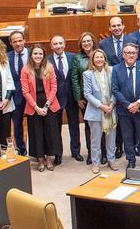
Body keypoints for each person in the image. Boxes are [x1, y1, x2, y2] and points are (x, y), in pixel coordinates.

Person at [111, 43, 140, 170]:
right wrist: (129, 105)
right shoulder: (116, 69)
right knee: (127, 136)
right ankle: (131, 159)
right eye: (128, 53)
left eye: (133, 53)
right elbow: (115, 89)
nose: (131, 55)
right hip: (124, 110)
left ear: (137, 54)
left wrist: (138, 102)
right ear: (123, 54)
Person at [21, 44, 60, 171]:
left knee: (49, 132)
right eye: (35, 54)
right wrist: (36, 107)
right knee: (37, 133)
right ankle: (40, 160)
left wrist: (47, 105)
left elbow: (54, 87)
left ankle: (49, 159)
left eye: (40, 54)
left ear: (44, 55)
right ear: (31, 55)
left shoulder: (49, 67)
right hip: (34, 105)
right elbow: (25, 92)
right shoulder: (26, 69)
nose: (38, 56)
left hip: (49, 103)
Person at [82, 48, 117, 173]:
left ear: (105, 59)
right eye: (96, 57)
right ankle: (95, 163)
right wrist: (101, 106)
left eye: (101, 57)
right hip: (95, 112)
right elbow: (87, 94)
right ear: (92, 60)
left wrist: (111, 105)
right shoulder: (87, 74)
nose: (99, 59)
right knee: (95, 140)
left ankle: (111, 160)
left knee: (111, 139)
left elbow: (115, 89)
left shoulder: (112, 71)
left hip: (111, 111)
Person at [48, 35, 79, 163]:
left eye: (61, 43)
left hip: (72, 96)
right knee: (56, 127)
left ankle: (76, 151)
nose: (58, 46)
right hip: (56, 97)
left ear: (65, 44)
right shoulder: (47, 60)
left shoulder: (73, 57)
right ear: (51, 46)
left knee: (74, 124)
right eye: (55, 44)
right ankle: (58, 154)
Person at [69, 31, 96, 165]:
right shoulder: (77, 58)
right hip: (85, 98)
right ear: (81, 44)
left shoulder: (99, 54)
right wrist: (78, 98)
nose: (87, 43)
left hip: (100, 97)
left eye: (89, 41)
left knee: (102, 125)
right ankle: (91, 153)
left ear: (93, 41)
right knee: (89, 125)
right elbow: (74, 78)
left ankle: (103, 152)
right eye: (84, 41)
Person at [5, 31, 29, 155]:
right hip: (16, 96)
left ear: (24, 40)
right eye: (15, 41)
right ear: (10, 43)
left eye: (20, 40)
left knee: (35, 124)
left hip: (33, 96)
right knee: (17, 125)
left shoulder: (32, 54)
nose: (18, 43)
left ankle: (37, 150)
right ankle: (21, 149)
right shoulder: (6, 57)